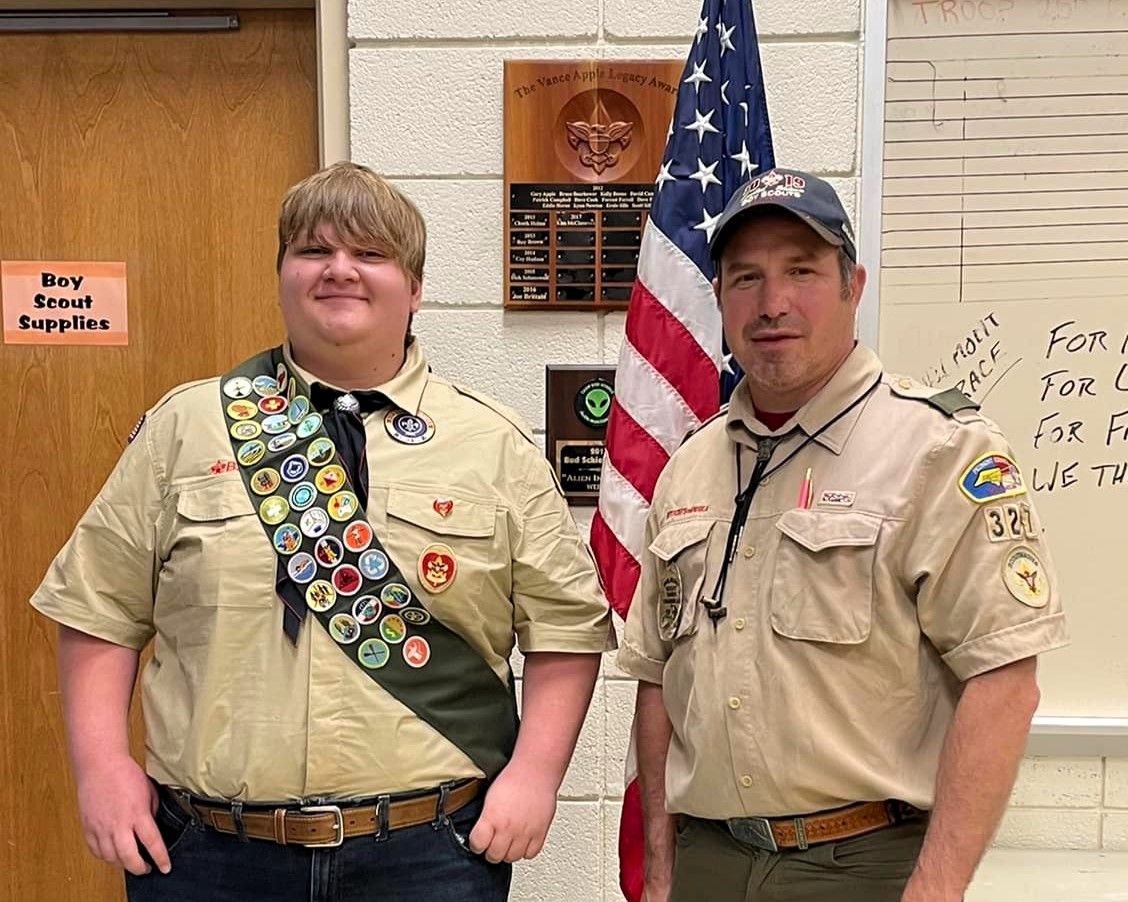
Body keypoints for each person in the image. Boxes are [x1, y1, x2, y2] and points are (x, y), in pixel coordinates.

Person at [31, 161, 613, 902]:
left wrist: (536, 776)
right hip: (209, 854)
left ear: (416, 288)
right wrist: (102, 767)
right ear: (281, 276)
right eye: (314, 251)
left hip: (428, 853)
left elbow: (566, 628)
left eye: (369, 254)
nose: (340, 270)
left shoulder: (492, 443)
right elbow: (97, 609)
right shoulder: (184, 429)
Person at [617, 167, 1068, 902]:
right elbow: (659, 682)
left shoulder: (939, 452)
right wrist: (662, 876)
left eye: (802, 271)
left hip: (864, 869)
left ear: (853, 285)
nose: (772, 304)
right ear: (721, 299)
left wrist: (936, 889)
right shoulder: (690, 467)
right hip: (709, 864)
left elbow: (1004, 681)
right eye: (746, 278)